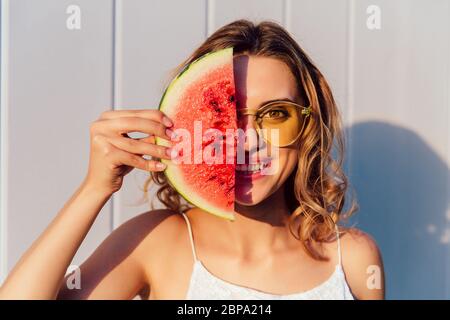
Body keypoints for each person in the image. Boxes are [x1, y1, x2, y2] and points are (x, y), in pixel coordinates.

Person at [0, 19, 384, 300]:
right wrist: (94, 188)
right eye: (226, 116)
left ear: (308, 128)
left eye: (276, 115)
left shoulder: (352, 259)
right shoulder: (158, 242)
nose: (247, 141)